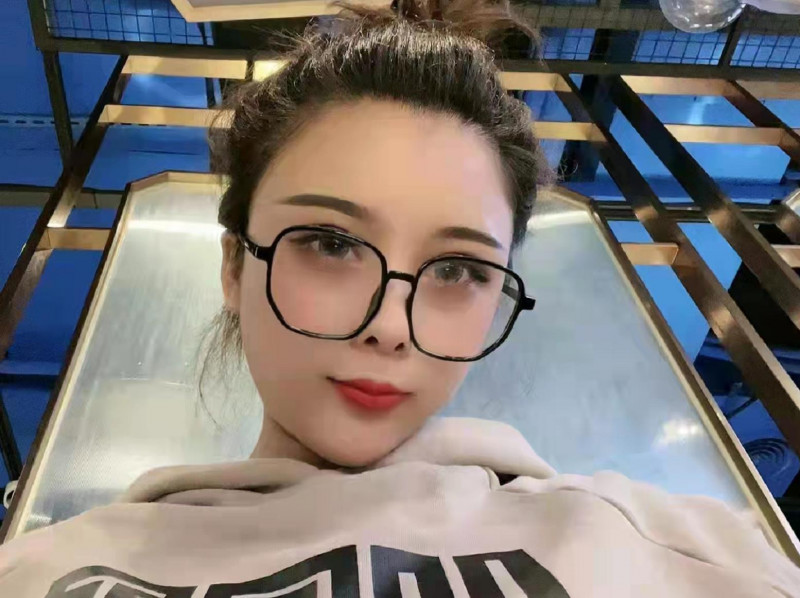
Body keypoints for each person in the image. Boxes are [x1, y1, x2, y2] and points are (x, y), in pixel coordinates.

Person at [1, 1, 799, 596]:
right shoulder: (46, 569)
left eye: (457, 269)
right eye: (332, 244)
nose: (390, 328)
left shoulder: (683, 544)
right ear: (235, 266)